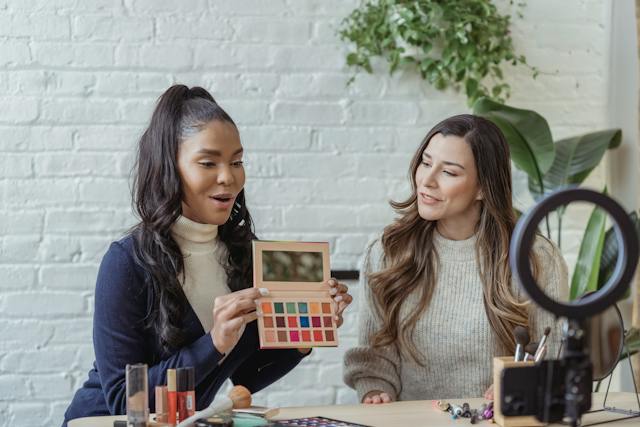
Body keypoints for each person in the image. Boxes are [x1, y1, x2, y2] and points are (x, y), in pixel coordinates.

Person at [63, 85, 352, 424]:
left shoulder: (243, 254)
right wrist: (214, 342)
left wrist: (306, 334)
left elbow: (249, 376)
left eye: (237, 161)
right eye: (207, 162)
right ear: (170, 167)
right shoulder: (127, 262)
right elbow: (123, 400)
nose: (228, 177)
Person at [343, 114, 567, 404]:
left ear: (483, 188)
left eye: (449, 172)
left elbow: (551, 352)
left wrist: (521, 382)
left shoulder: (535, 257)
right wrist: (375, 390)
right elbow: (376, 355)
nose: (427, 180)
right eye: (425, 162)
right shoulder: (387, 251)